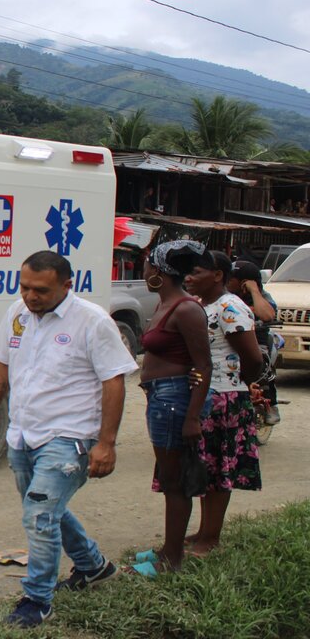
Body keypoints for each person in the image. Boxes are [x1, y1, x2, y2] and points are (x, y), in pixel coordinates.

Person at [0, 250, 138, 628]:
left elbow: (114, 381)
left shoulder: (92, 321)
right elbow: (2, 362)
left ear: (68, 285)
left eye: (42, 290)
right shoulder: (17, 312)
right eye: (25, 287)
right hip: (23, 432)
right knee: (47, 511)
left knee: (39, 515)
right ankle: (93, 566)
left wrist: (107, 442)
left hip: (70, 437)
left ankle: (37, 599)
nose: (31, 296)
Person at [131, 240, 212, 575]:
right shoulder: (166, 304)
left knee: (174, 481)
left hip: (176, 399)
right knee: (168, 478)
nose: (145, 269)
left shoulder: (187, 309)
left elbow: (203, 366)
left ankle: (173, 560)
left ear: (160, 272)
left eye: (149, 264)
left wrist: (193, 416)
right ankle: (169, 549)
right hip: (162, 398)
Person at [183, 250, 265, 556]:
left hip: (224, 397)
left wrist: (240, 384)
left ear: (217, 275)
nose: (189, 278)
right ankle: (203, 530)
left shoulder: (230, 306)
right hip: (207, 395)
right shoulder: (203, 305)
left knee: (220, 470)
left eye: (195, 272)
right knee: (209, 467)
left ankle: (211, 537)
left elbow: (253, 357)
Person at [229, 260, 280, 425]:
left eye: (232, 278)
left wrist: (254, 290)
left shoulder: (263, 297)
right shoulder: (225, 295)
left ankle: (271, 404)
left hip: (257, 340)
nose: (228, 280)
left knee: (261, 363)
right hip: (230, 340)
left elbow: (267, 315)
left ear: (244, 282)